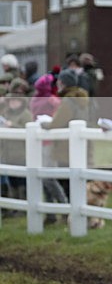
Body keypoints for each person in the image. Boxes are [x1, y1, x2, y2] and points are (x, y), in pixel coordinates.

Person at [40, 69, 89, 199]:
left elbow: (57, 123)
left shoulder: (68, 101)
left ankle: (68, 212)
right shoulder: (82, 99)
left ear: (63, 83)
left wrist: (44, 124)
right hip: (81, 145)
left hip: (65, 147)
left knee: (66, 181)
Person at [30, 73, 69, 223]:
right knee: (47, 178)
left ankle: (57, 209)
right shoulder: (51, 99)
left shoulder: (35, 99)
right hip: (47, 141)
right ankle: (59, 208)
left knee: (46, 178)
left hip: (42, 141)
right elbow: (58, 112)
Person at [1, 78, 32, 209]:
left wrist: (12, 125)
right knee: (12, 180)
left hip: (21, 152)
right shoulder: (6, 113)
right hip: (8, 151)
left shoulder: (26, 115)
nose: (13, 103)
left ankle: (23, 204)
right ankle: (13, 205)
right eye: (11, 101)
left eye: (16, 101)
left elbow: (27, 130)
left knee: (21, 180)